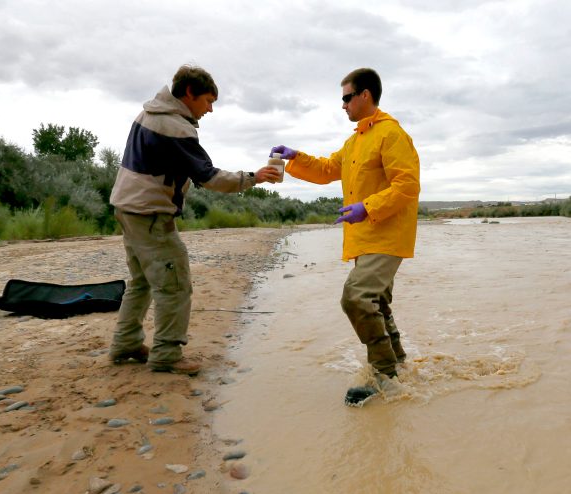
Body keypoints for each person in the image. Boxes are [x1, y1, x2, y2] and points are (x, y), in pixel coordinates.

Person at [109, 65, 281, 376]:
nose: (210, 109)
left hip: (127, 206)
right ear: (189, 93)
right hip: (149, 212)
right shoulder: (174, 126)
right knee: (175, 285)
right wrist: (254, 177)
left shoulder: (148, 114)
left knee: (143, 281)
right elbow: (209, 177)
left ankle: (126, 344)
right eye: (208, 101)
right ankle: (166, 355)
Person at [271, 67, 420, 389]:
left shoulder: (391, 134)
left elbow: (407, 186)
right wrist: (296, 156)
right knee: (376, 301)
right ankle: (399, 362)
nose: (343, 106)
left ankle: (384, 375)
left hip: (388, 234)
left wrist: (367, 208)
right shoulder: (356, 141)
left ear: (365, 95)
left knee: (355, 298)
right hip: (364, 236)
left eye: (347, 98)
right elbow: (327, 169)